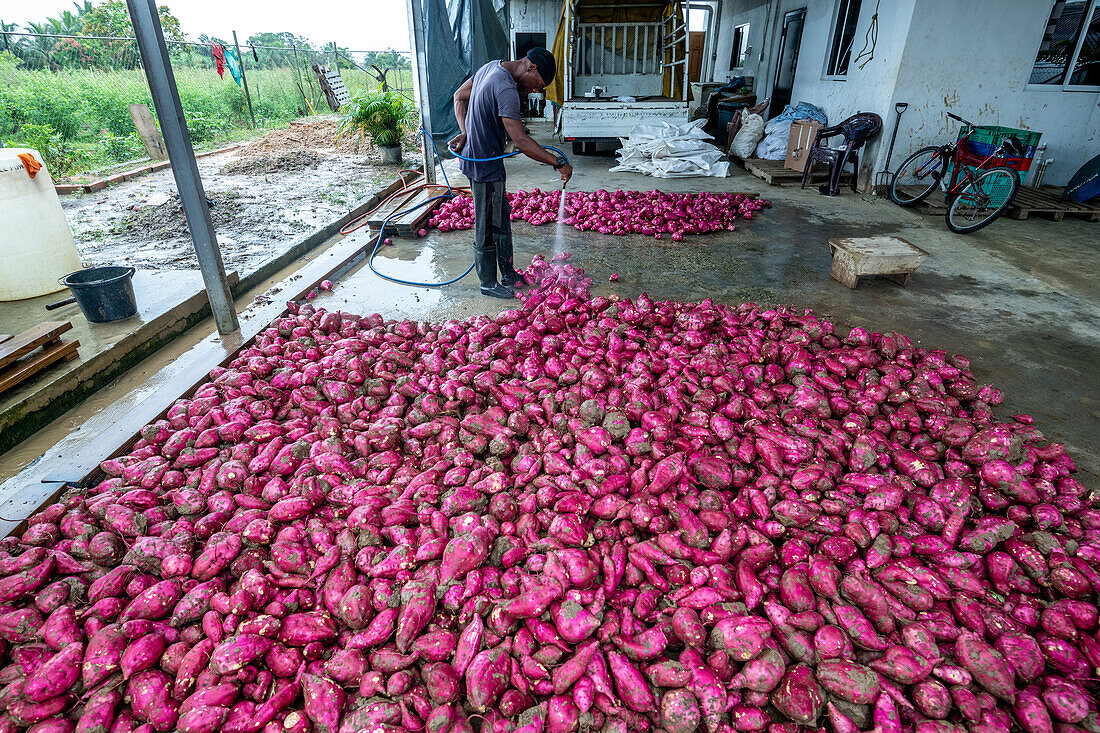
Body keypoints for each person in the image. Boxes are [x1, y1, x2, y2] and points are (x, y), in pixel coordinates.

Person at [449, 47, 573, 299]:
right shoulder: (506, 88)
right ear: (531, 67)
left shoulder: (490, 67)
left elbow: (459, 97)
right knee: (487, 223)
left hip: (482, 160)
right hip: (484, 164)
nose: (534, 90)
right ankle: (487, 282)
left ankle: (507, 273)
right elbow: (521, 141)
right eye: (537, 84)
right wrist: (558, 162)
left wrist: (465, 132)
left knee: (501, 217)